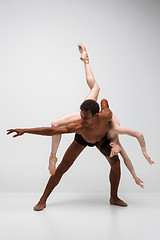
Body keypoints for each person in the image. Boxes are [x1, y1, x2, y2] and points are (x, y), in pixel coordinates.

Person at [7, 44, 153, 211]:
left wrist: (107, 110)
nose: (82, 120)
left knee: (116, 164)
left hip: (102, 140)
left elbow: (104, 103)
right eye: (81, 116)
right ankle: (43, 199)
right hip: (83, 139)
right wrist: (26, 130)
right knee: (62, 168)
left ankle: (114, 197)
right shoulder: (79, 126)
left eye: (86, 117)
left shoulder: (105, 116)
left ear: (96, 115)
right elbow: (53, 131)